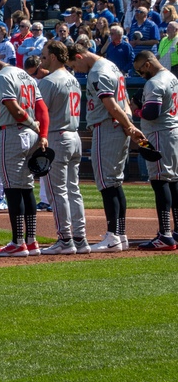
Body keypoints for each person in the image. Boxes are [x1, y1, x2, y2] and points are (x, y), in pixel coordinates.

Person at [68, 42, 145, 252]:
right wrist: (128, 124)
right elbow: (125, 101)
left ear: (79, 56)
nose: (75, 70)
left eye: (73, 65)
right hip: (117, 125)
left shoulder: (97, 72)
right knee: (115, 182)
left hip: (107, 126)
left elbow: (110, 104)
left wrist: (128, 126)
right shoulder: (111, 66)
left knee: (106, 182)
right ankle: (119, 235)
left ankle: (112, 236)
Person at [0, 52, 49, 256]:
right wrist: (42, 133)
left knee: (12, 187)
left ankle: (18, 242)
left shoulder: (2, 76)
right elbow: (42, 108)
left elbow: (15, 110)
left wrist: (31, 123)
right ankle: (31, 241)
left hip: (13, 131)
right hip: (30, 135)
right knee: (26, 188)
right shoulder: (24, 75)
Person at [36, 41, 88, 255]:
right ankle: (80, 237)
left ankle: (65, 240)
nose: (42, 58)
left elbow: (39, 113)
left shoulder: (49, 81)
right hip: (74, 136)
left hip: (57, 136)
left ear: (54, 56)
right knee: (73, 189)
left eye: (44, 55)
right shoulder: (74, 80)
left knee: (57, 191)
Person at [133, 50, 178, 250]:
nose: (141, 75)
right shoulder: (172, 76)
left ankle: (165, 235)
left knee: (160, 182)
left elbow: (151, 113)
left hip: (159, 134)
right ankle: (175, 231)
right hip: (172, 131)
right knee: (173, 181)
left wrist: (135, 109)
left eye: (141, 70)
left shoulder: (155, 82)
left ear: (148, 64)